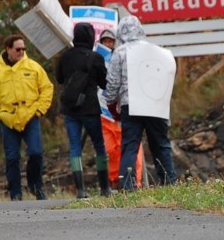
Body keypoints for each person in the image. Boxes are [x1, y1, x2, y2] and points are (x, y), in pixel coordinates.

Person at [103, 16, 178, 189]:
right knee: (161, 144)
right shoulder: (158, 51)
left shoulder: (120, 52)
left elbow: (113, 83)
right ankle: (170, 183)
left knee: (130, 145)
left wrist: (111, 103)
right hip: (155, 104)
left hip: (131, 105)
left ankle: (128, 186)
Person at [0, 34, 53, 200]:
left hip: (30, 116)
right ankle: (15, 194)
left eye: (23, 49)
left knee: (36, 153)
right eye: (18, 49)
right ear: (8, 49)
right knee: (12, 158)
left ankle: (36, 187)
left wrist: (40, 110)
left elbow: (47, 88)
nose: (21, 52)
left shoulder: (33, 67)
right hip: (8, 120)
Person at [56, 23, 109, 198]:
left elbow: (59, 78)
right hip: (90, 109)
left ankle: (80, 190)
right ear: (91, 37)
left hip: (70, 110)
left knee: (75, 148)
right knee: (99, 146)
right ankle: (104, 189)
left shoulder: (65, 56)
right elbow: (104, 83)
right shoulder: (96, 58)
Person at [97, 29, 143, 189]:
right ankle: (114, 180)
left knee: (129, 146)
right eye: (105, 41)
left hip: (122, 110)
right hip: (104, 113)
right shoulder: (97, 59)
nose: (108, 44)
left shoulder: (123, 57)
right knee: (110, 149)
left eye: (111, 41)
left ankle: (134, 181)